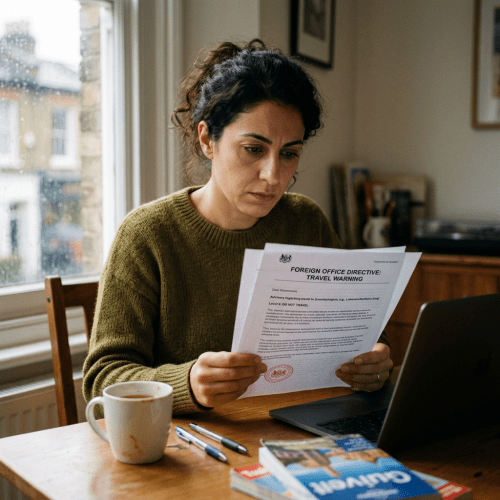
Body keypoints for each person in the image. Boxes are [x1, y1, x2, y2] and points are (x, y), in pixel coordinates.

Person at [83, 39, 393, 415]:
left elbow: (363, 336)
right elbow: (103, 377)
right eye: (253, 149)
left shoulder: (306, 222)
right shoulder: (147, 235)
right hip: (194, 449)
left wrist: (373, 364)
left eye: (290, 154)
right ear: (207, 140)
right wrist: (188, 383)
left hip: (301, 432)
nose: (273, 175)